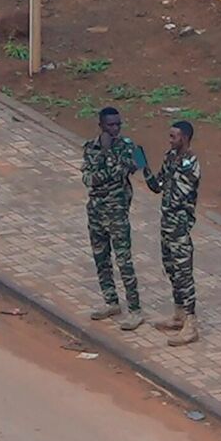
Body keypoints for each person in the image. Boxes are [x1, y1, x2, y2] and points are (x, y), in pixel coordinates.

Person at [80, 107, 147, 331]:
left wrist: (117, 162)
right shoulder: (91, 148)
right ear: (101, 126)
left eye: (118, 124)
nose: (116, 128)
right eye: (111, 125)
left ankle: (135, 309)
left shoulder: (126, 145)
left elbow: (138, 163)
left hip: (117, 213)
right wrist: (113, 165)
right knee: (101, 259)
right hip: (96, 212)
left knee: (124, 262)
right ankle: (111, 301)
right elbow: (89, 179)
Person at [144, 120, 203, 346]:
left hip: (179, 225)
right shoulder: (170, 157)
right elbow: (158, 185)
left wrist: (168, 180)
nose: (170, 140)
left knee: (183, 273)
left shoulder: (190, 164)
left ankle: (190, 323)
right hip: (166, 223)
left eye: (174, 137)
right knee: (170, 268)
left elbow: (178, 195)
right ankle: (178, 314)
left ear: (185, 138)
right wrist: (145, 169)